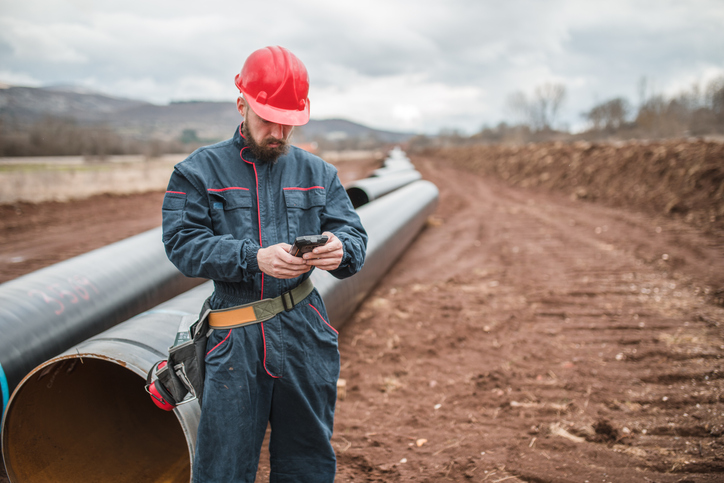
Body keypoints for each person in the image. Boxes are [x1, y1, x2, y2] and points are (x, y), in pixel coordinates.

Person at [161, 45, 367, 482]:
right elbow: (182, 244)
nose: (277, 130)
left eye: (287, 122)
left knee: (307, 462)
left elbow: (355, 239)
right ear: (241, 105)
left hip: (305, 333)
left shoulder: (320, 174)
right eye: (266, 118)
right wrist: (251, 258)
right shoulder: (198, 172)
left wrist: (340, 249)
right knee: (224, 468)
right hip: (234, 338)